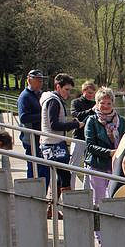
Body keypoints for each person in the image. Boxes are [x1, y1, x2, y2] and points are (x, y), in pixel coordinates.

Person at [39, 73, 82, 214]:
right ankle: (68, 209)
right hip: (53, 144)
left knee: (60, 177)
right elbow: (54, 125)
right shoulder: (53, 101)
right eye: (67, 89)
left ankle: (51, 208)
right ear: (58, 87)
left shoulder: (53, 99)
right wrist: (74, 124)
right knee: (65, 177)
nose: (69, 93)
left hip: (54, 143)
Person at [84, 87, 124, 208]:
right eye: (102, 103)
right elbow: (90, 146)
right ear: (96, 103)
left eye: (109, 103)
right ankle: (98, 227)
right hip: (97, 165)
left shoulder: (121, 121)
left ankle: (114, 226)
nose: (105, 106)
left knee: (115, 199)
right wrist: (109, 153)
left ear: (113, 103)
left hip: (115, 166)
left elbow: (123, 142)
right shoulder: (91, 120)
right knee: (99, 200)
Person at [17, 69, 49, 184]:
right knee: (33, 167)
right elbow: (23, 117)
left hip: (40, 137)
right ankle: (31, 192)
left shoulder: (39, 94)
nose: (40, 83)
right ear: (29, 80)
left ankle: (42, 192)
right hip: (30, 138)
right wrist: (43, 116)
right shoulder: (25, 96)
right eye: (37, 80)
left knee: (43, 167)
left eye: (41, 80)